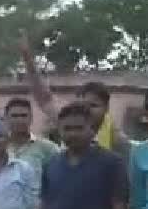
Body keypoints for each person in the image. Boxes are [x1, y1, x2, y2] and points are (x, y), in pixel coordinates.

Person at [19, 31, 132, 163]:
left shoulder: (117, 139)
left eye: (93, 105)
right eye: (83, 104)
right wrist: (28, 59)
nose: (87, 109)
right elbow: (44, 98)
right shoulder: (68, 118)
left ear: (106, 108)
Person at [5, 96, 60, 174]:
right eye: (14, 116)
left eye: (24, 115)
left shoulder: (48, 148)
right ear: (6, 118)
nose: (19, 120)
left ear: (31, 118)